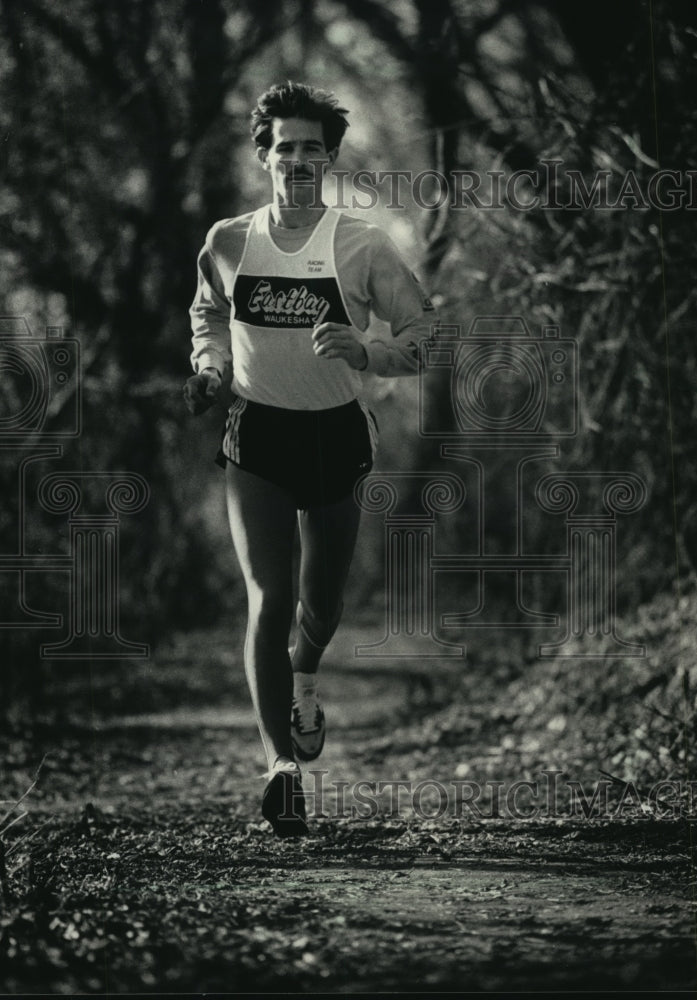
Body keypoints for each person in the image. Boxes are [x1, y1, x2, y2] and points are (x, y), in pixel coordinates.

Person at [184, 81, 436, 837]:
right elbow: (209, 313)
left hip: (335, 438)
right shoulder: (230, 240)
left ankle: (304, 681)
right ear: (264, 155)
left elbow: (425, 336)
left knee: (319, 606)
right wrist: (209, 368)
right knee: (268, 595)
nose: (296, 159)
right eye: (283, 146)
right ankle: (280, 770)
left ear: (329, 159)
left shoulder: (362, 245)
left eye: (311, 149)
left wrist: (368, 348)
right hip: (257, 435)